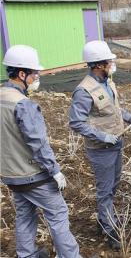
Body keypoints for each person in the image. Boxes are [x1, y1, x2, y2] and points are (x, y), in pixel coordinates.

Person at [0, 45, 80, 258]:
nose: (37, 77)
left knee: (25, 215)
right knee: (58, 215)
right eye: (34, 73)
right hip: (33, 176)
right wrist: (54, 170)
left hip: (11, 176)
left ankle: (26, 255)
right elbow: (38, 143)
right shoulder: (23, 105)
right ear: (22, 74)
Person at [69, 40, 131, 250]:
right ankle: (108, 228)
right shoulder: (84, 91)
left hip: (116, 144)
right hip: (101, 149)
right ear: (98, 65)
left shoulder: (109, 83)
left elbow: (113, 110)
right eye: (108, 61)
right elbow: (77, 122)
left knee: (114, 185)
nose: (111, 64)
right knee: (105, 190)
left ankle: (104, 217)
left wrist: (130, 117)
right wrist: (102, 136)